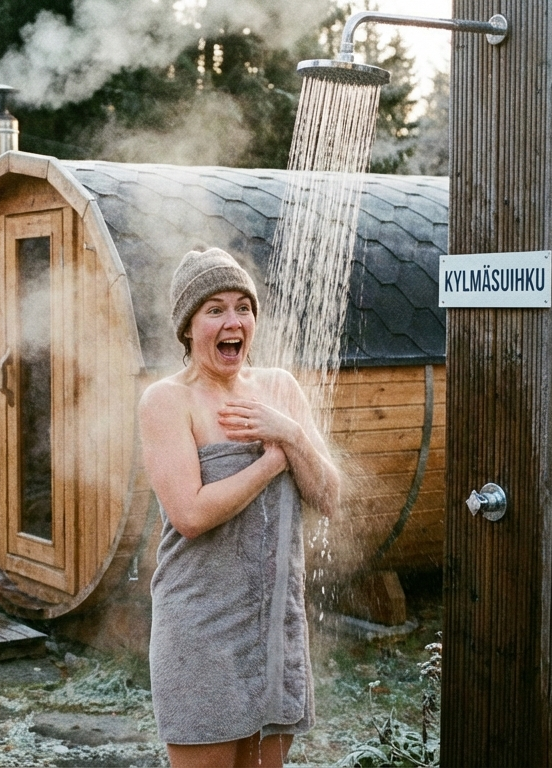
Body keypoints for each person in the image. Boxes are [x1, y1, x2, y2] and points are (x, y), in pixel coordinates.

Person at [138, 247, 341, 768]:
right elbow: (191, 514)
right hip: (200, 629)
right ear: (188, 327)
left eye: (243, 307)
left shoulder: (279, 390)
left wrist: (291, 433)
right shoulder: (167, 401)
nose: (234, 322)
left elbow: (328, 495)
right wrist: (274, 462)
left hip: (274, 626)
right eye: (215, 309)